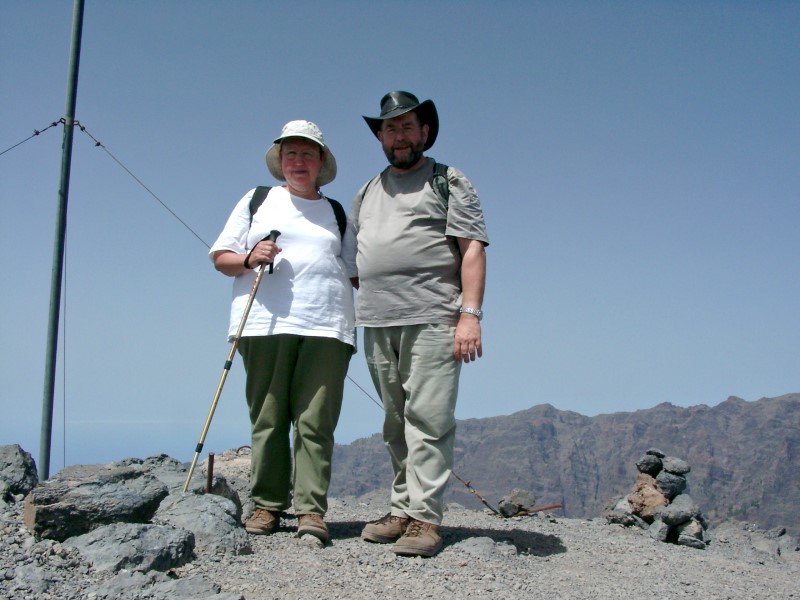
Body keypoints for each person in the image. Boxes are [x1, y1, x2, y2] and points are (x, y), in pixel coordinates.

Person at [351, 91, 489, 557]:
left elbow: (472, 248)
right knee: (395, 422)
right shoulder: (368, 190)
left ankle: (425, 519)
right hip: (376, 321)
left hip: (433, 317)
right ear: (380, 137)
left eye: (407, 126)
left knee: (428, 420)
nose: (399, 136)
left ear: (424, 132)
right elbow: (357, 258)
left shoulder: (448, 180)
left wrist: (470, 315)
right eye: (390, 128)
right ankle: (401, 510)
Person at [209, 120, 357, 545]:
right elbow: (221, 258)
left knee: (316, 420)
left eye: (308, 153)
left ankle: (311, 510)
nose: (298, 161)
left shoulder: (337, 214)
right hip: (263, 324)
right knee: (269, 416)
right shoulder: (258, 201)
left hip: (328, 325)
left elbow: (355, 272)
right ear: (280, 159)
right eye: (290, 153)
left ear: (321, 162)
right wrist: (249, 256)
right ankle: (268, 505)